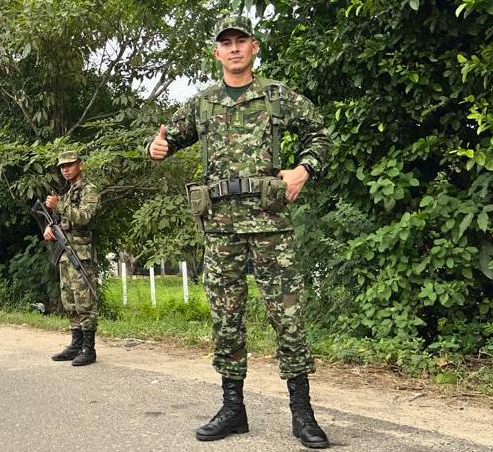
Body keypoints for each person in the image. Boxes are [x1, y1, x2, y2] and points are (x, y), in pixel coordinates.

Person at [146, 15, 330, 449]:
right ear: (216, 52)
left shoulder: (277, 96)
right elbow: (165, 139)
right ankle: (233, 409)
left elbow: (320, 133)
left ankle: (302, 414)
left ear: (254, 47)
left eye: (240, 41)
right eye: (225, 43)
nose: (233, 48)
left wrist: (303, 170)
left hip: (270, 223)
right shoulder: (202, 104)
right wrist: (156, 148)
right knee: (226, 318)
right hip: (221, 228)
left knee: (287, 316)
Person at [43, 150, 100, 366]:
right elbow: (61, 221)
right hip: (66, 254)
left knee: (85, 302)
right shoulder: (67, 193)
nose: (65, 169)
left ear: (80, 165)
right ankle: (76, 344)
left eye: (70, 165)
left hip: (81, 255)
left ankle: (89, 348)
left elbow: (84, 217)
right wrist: (50, 228)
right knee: (69, 301)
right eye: (62, 166)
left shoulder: (89, 190)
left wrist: (59, 205)